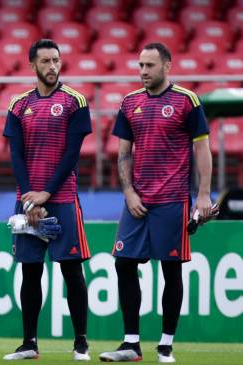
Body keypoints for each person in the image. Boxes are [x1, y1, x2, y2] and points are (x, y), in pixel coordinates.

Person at [99, 43, 212, 363]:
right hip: (137, 201)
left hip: (172, 200)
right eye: (140, 65)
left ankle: (165, 344)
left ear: (167, 67)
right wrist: (129, 193)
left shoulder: (187, 101)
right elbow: (123, 154)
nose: (143, 71)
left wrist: (204, 195)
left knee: (171, 270)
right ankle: (131, 344)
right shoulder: (130, 102)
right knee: (123, 264)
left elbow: (202, 149)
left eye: (150, 65)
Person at [2, 39, 93, 361]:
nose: (52, 66)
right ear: (33, 65)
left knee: (71, 270)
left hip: (63, 198)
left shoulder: (75, 101)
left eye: (56, 60)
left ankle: (81, 342)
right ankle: (29, 343)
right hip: (28, 202)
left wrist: (46, 194)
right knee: (30, 271)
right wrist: (30, 199)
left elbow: (72, 154)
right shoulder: (18, 104)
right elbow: (15, 155)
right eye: (45, 61)